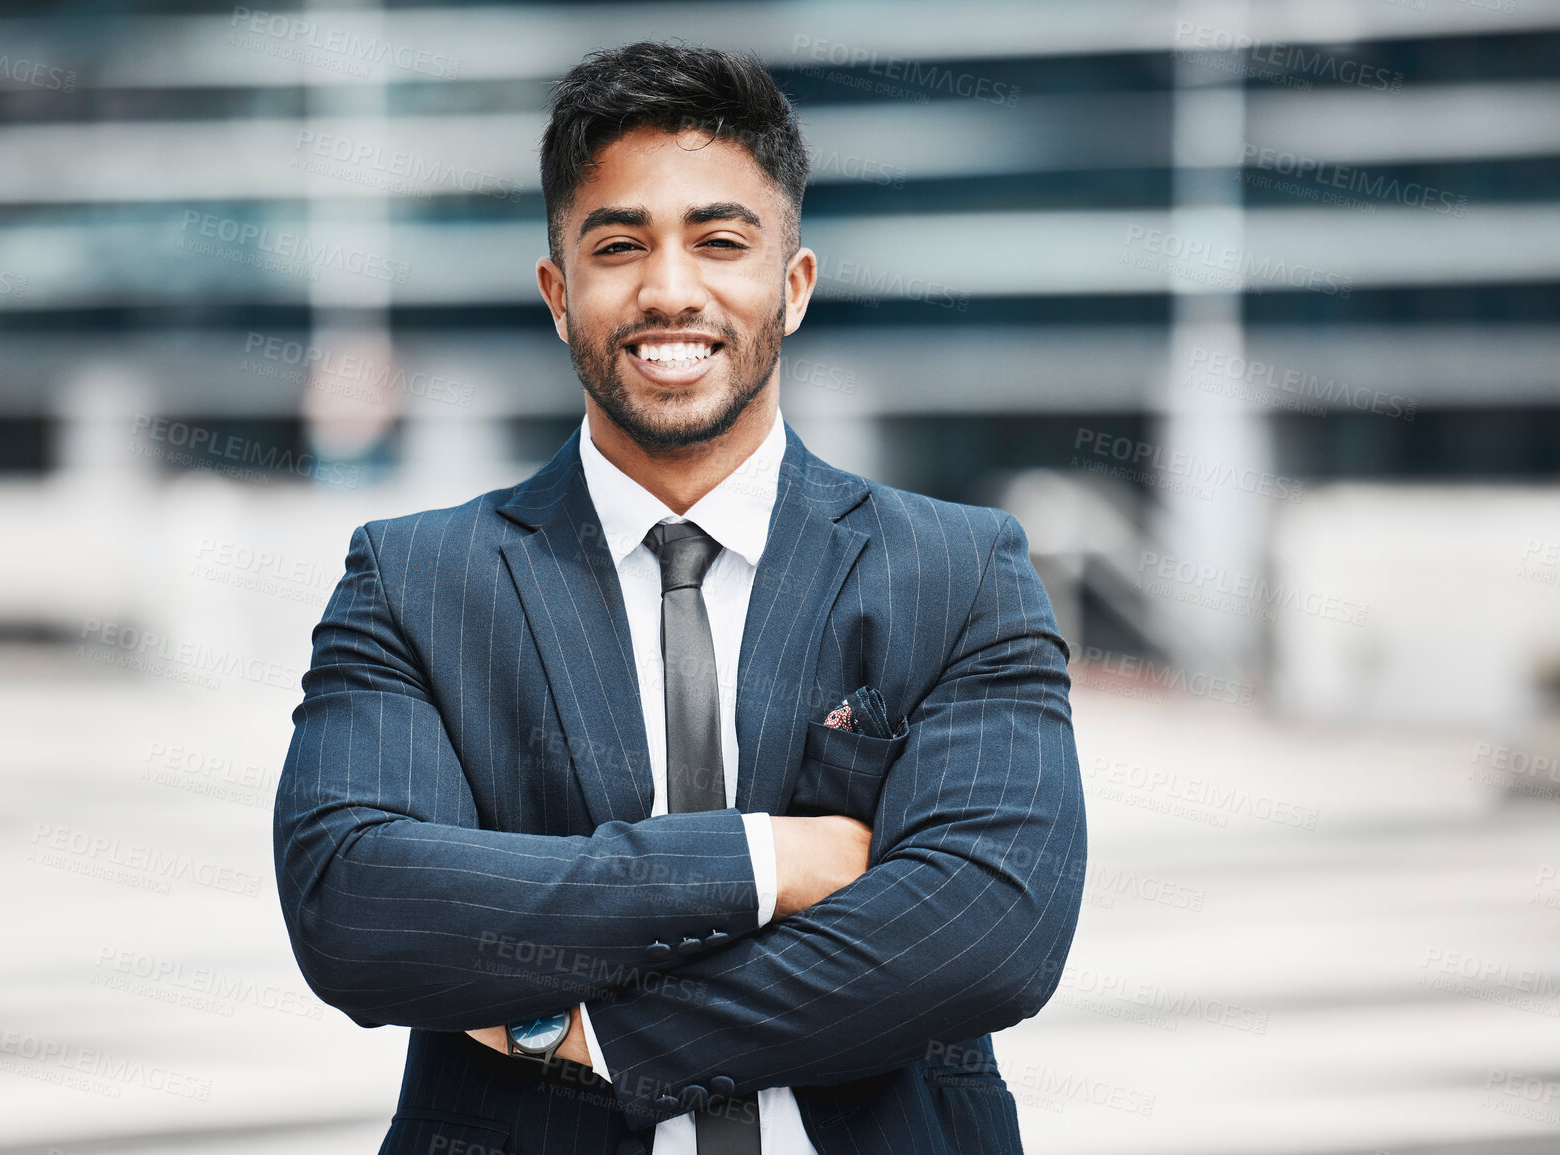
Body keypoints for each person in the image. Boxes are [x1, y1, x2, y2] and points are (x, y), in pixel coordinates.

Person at [274, 40, 1086, 1155]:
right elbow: (360, 906)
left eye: (720, 241)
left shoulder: (958, 574)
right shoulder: (417, 581)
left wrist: (585, 1032)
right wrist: (765, 862)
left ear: (791, 288)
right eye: (619, 246)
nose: (669, 289)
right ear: (559, 296)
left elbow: (987, 932)